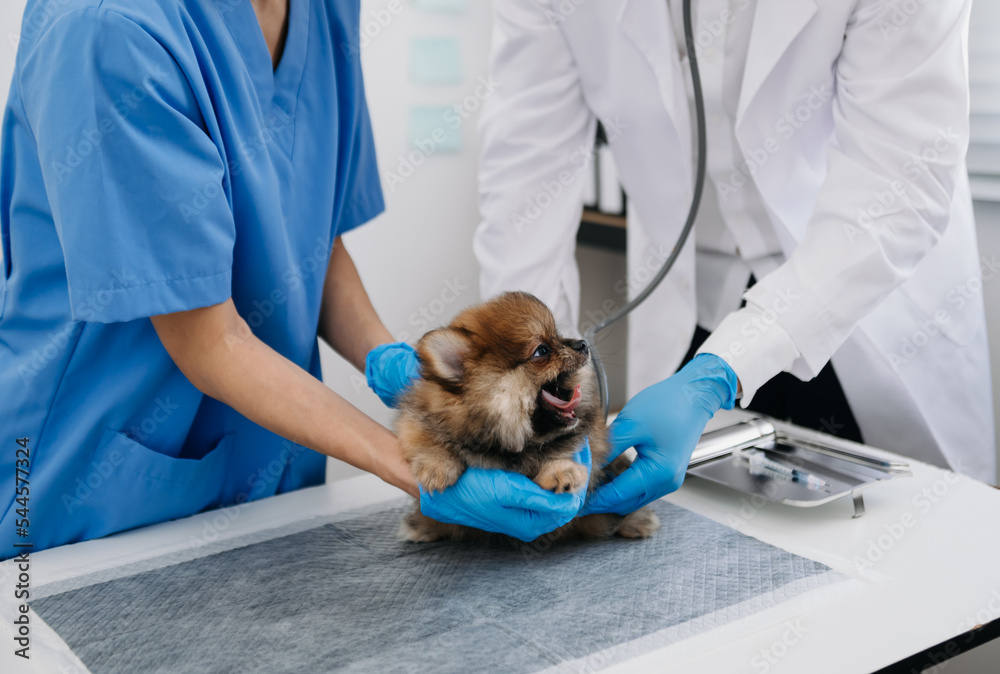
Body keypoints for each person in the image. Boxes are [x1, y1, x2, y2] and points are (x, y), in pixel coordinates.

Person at [0, 0, 589, 560]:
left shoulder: (323, 10)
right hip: (86, 486)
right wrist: (416, 463)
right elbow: (212, 341)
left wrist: (392, 360)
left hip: (270, 477)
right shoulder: (109, 29)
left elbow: (310, 241)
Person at [473, 0, 996, 515]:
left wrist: (722, 370)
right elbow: (525, 176)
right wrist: (519, 376)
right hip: (691, 309)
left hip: (860, 303)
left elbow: (899, 183)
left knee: (903, 545)